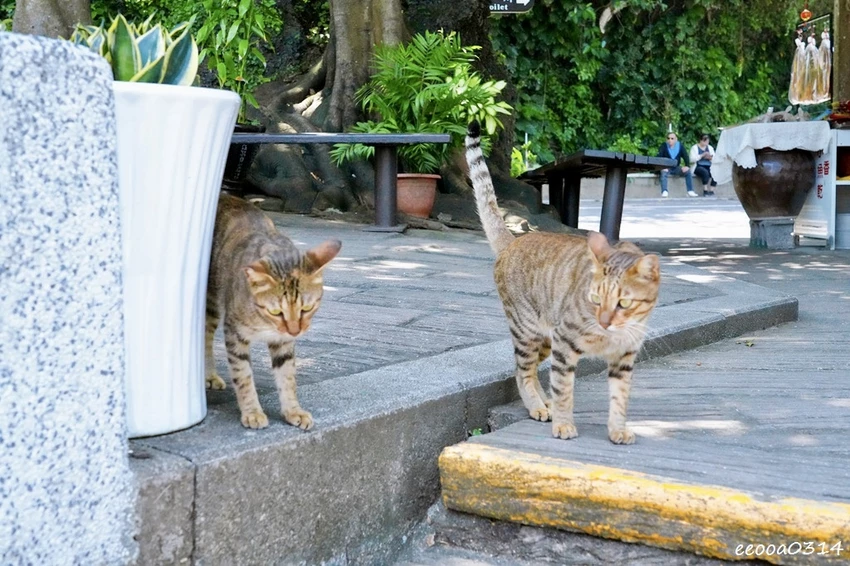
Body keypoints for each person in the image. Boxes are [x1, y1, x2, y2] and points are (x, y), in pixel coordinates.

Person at [657, 132, 697, 198]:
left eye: (672, 138)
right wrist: (661, 167)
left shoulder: (680, 146)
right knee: (663, 172)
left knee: (687, 171)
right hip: (666, 167)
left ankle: (690, 191)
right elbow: (659, 157)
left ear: (676, 139)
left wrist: (687, 166)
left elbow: (685, 156)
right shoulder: (664, 146)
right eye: (668, 138)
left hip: (676, 168)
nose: (670, 140)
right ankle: (664, 191)